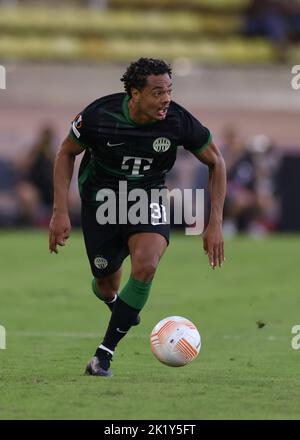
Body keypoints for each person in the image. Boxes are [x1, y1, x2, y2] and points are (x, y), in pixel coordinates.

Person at [48, 58, 226, 377]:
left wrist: (215, 224)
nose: (166, 99)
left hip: (148, 197)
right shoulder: (99, 115)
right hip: (101, 202)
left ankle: (103, 356)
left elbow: (216, 161)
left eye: (169, 91)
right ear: (135, 93)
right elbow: (65, 153)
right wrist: (60, 211)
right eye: (158, 92)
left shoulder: (178, 121)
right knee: (106, 283)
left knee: (146, 265)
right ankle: (120, 305)